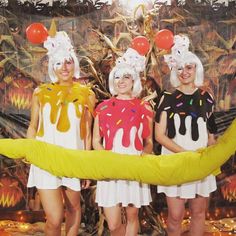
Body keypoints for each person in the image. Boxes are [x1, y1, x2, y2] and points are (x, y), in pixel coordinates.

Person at [27, 31, 95, 236]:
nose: (64, 67)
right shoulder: (40, 93)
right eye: (59, 63)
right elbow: (32, 126)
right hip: (46, 160)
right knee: (55, 219)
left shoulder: (87, 94)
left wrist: (86, 167)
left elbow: (88, 135)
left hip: (73, 160)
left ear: (74, 64)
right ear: (52, 67)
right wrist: (33, 152)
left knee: (74, 208)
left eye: (68, 62)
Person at [155, 34, 217, 236]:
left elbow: (210, 133)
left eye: (189, 67)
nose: (184, 72)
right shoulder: (167, 98)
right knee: (175, 216)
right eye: (179, 68)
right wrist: (184, 154)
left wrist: (210, 156)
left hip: (199, 163)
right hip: (176, 162)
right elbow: (159, 135)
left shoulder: (207, 97)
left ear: (196, 68)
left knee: (199, 213)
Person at [93, 48, 153, 236]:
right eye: (118, 77)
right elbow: (96, 140)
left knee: (132, 216)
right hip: (110, 168)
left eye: (126, 77)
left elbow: (149, 141)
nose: (121, 81)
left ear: (133, 80)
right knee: (112, 224)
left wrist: (144, 155)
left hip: (133, 166)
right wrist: (106, 159)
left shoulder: (144, 107)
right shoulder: (102, 108)